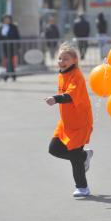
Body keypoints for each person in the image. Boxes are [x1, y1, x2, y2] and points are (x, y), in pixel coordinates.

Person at [45, 42, 94, 197]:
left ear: (74, 60)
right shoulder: (62, 74)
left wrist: (56, 98)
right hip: (66, 122)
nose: (61, 61)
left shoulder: (77, 76)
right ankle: (83, 156)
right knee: (54, 149)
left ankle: (82, 188)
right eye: (59, 58)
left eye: (65, 59)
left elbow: (71, 95)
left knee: (73, 154)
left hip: (80, 122)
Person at [0, 14, 21, 81]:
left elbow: (17, 36)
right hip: (5, 46)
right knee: (8, 60)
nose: (7, 20)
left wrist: (18, 46)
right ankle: (12, 75)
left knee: (10, 60)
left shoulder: (13, 27)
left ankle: (8, 75)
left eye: (8, 19)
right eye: (5, 19)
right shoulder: (1, 27)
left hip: (12, 46)